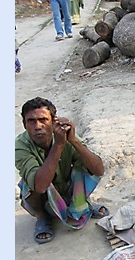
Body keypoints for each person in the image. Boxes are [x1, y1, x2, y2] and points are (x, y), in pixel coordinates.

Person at [15, 97, 109, 244]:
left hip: (65, 187)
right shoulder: (21, 146)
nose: (38, 126)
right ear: (24, 124)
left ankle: (82, 205)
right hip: (42, 193)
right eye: (31, 121)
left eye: (43, 120)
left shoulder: (64, 134)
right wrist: (58, 146)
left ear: (53, 122)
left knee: (84, 166)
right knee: (30, 184)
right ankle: (42, 217)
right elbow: (40, 186)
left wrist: (74, 141)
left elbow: (98, 170)